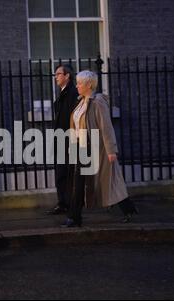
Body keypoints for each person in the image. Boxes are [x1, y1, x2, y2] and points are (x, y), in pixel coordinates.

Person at [62, 70, 138, 227]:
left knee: (109, 181)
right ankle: (74, 217)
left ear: (89, 85)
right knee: (79, 182)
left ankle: (127, 209)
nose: (76, 85)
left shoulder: (97, 102)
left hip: (96, 149)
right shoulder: (81, 102)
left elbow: (106, 127)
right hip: (81, 149)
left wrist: (111, 150)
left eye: (80, 83)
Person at [46, 64, 79, 216]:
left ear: (67, 76)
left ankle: (69, 204)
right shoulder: (63, 93)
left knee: (68, 174)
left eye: (58, 74)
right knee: (61, 173)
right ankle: (63, 203)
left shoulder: (72, 93)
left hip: (68, 140)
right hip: (61, 139)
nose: (56, 77)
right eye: (55, 74)